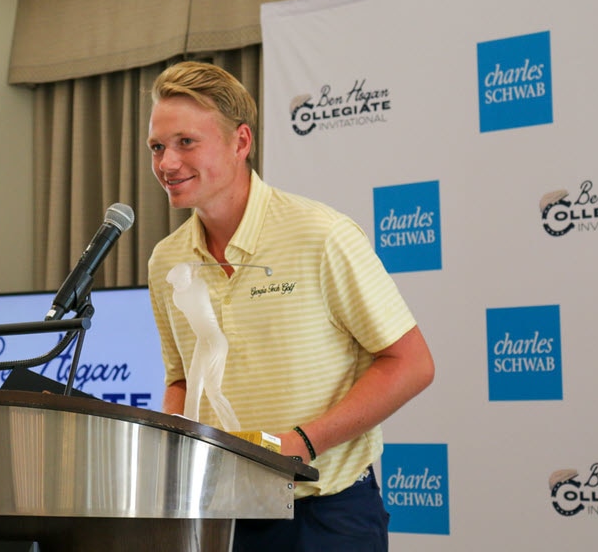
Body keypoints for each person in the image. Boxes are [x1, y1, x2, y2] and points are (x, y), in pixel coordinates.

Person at [146, 60, 435, 551]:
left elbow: (412, 364)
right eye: (157, 147)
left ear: (241, 143)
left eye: (185, 143)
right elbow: (180, 379)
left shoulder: (321, 236)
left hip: (325, 516)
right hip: (216, 514)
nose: (167, 163)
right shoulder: (165, 260)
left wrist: (302, 443)